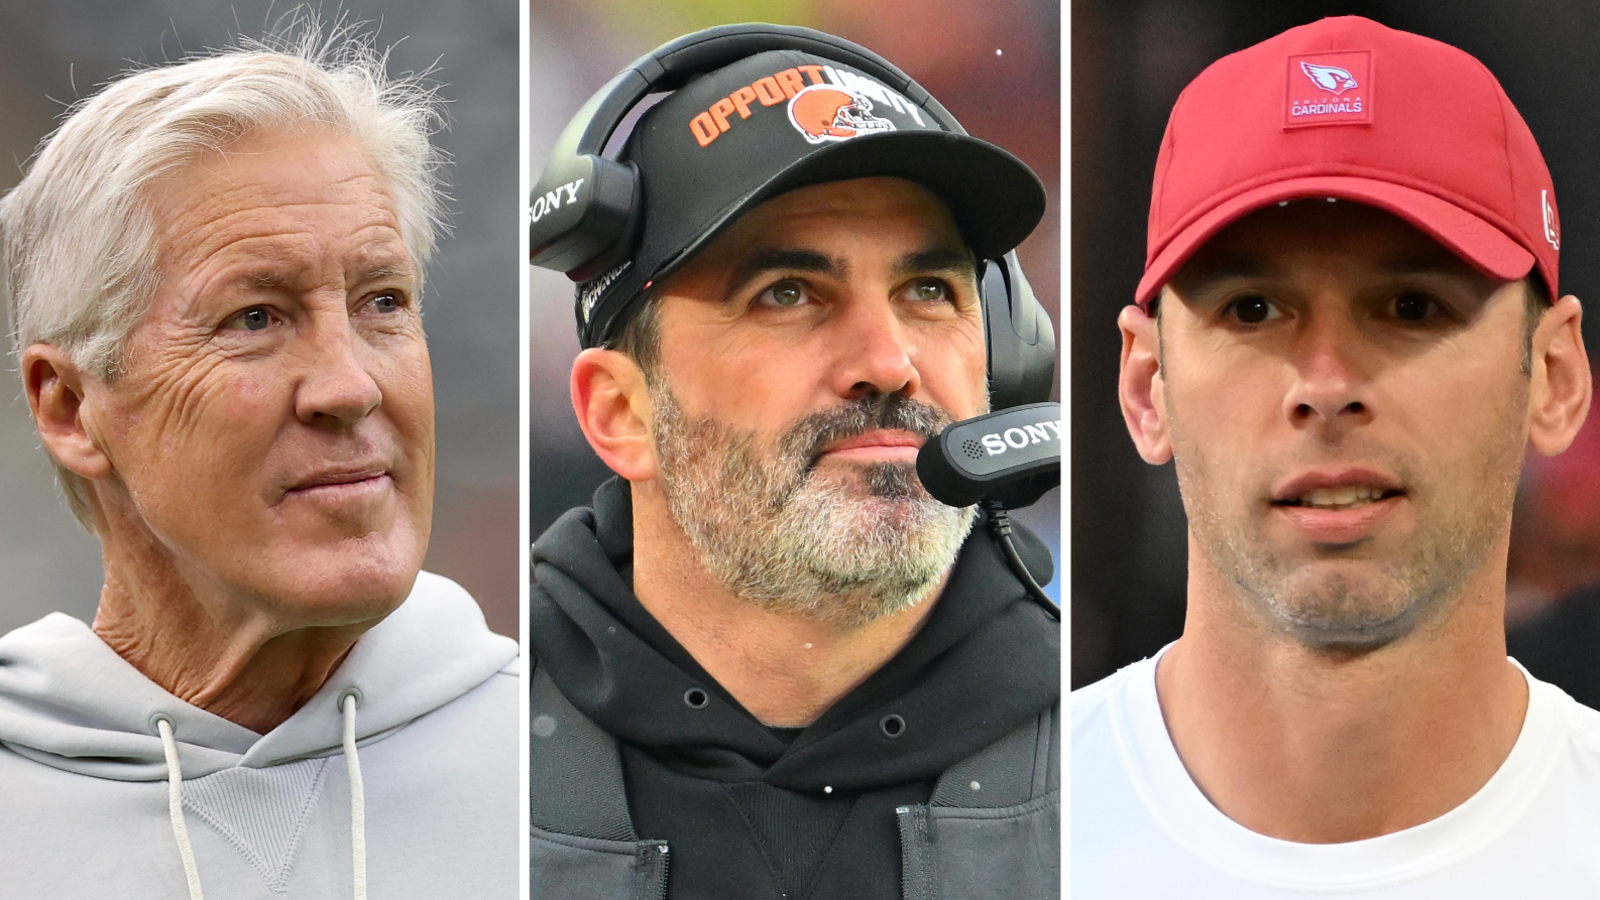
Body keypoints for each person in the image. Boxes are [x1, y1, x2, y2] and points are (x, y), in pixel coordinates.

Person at [527, 25, 1060, 900]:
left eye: (928, 290)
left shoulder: (1116, 758)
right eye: (787, 293)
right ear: (622, 414)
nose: (888, 363)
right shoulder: (470, 761)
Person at [1072, 15, 1600, 896]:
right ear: (1144, 387)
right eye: (1250, 310)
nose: (1325, 383)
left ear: (1554, 379)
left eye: (1411, 307)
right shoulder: (1007, 837)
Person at [0, 28, 518, 900]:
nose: (350, 386)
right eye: (255, 317)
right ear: (70, 408)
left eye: (382, 302)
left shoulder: (556, 765)